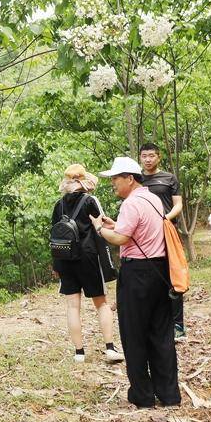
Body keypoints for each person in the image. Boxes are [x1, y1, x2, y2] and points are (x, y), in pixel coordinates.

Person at [89, 156, 181, 408]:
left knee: (134, 334)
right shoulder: (152, 198)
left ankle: (142, 395)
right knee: (161, 333)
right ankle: (169, 394)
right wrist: (116, 225)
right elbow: (140, 230)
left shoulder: (130, 204)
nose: (113, 185)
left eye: (116, 179)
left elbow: (120, 239)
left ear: (130, 178)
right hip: (160, 270)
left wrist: (99, 228)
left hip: (137, 274)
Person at [51, 164, 124, 364]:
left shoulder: (59, 205)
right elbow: (100, 228)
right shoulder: (91, 201)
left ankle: (79, 353)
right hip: (89, 258)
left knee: (72, 307)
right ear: (85, 182)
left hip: (65, 259)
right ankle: (109, 348)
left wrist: (56, 265)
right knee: (101, 303)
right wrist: (107, 262)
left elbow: (54, 235)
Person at [138, 143, 186, 340]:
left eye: (151, 155)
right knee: (148, 277)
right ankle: (154, 323)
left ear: (158, 157)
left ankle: (178, 326)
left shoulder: (169, 178)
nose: (148, 159)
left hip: (167, 231)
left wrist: (165, 218)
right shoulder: (136, 179)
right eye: (144, 156)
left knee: (172, 276)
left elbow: (178, 205)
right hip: (143, 235)